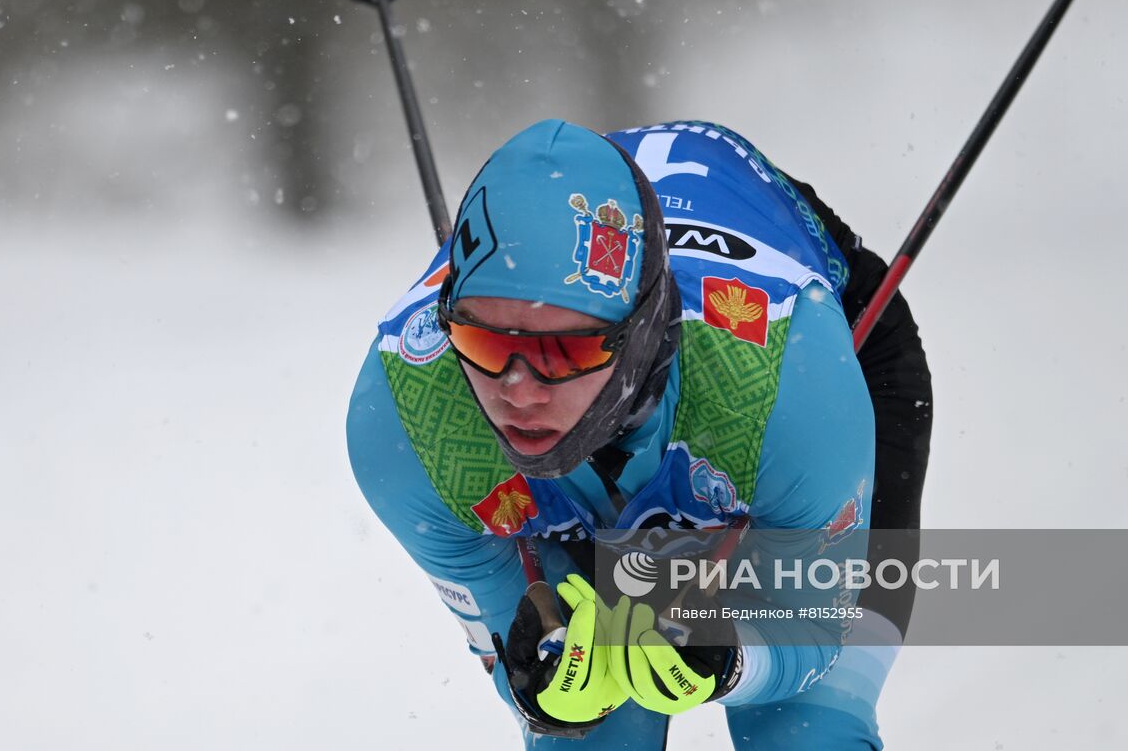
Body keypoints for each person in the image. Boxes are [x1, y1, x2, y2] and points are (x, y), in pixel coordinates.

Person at [347, 119, 932, 749]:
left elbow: (815, 633)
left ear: (641, 332)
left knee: (808, 735)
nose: (517, 388)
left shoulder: (790, 376)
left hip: (815, 360)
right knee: (586, 732)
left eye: (562, 351)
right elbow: (507, 643)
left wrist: (731, 661)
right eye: (484, 340)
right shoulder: (408, 422)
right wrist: (540, 690)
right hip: (610, 473)